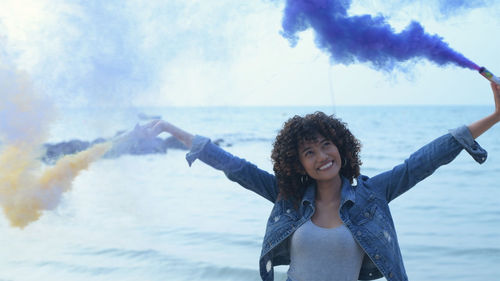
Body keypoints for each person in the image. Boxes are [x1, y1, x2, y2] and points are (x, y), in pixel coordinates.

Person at [140, 82, 500, 281]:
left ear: (341, 148)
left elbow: (425, 159)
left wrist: (496, 116)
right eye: (309, 152)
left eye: (326, 145)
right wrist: (175, 131)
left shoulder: (373, 195)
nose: (321, 156)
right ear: (298, 162)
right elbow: (235, 167)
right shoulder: (288, 198)